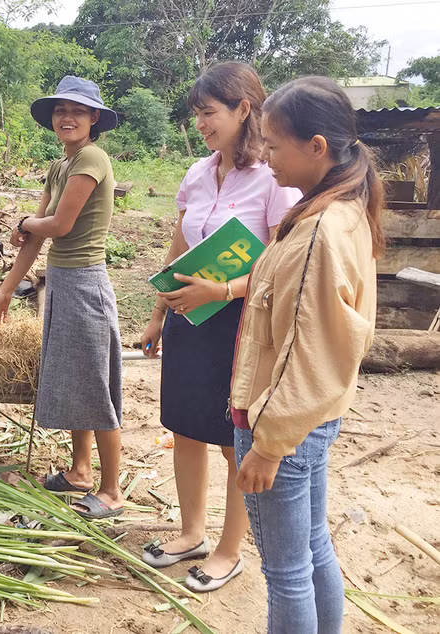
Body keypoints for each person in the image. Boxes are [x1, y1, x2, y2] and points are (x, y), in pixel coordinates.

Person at [139, 62, 300, 592]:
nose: (201, 124)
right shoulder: (196, 174)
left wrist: (223, 291)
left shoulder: (273, 180)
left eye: (209, 112)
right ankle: (191, 533)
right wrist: (158, 314)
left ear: (243, 109)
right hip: (188, 316)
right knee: (185, 426)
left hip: (240, 324)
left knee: (234, 437)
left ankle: (230, 550)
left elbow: (282, 264)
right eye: (197, 114)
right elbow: (179, 247)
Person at [231, 76, 384, 633]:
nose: (264, 156)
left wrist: (269, 446)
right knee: (314, 547)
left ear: (316, 147)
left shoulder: (320, 229)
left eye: (273, 145)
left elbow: (306, 352)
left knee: (287, 572)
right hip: (313, 419)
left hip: (284, 424)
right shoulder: (343, 208)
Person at [0, 76, 123, 519]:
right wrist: (5, 290)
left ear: (94, 118)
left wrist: (26, 222)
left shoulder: (92, 158)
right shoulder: (59, 165)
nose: (67, 118)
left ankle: (111, 490)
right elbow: (35, 236)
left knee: (95, 386)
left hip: (85, 284)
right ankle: (80, 472)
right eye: (61, 110)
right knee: (75, 380)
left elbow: (58, 226)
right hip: (63, 282)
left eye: (78, 111)